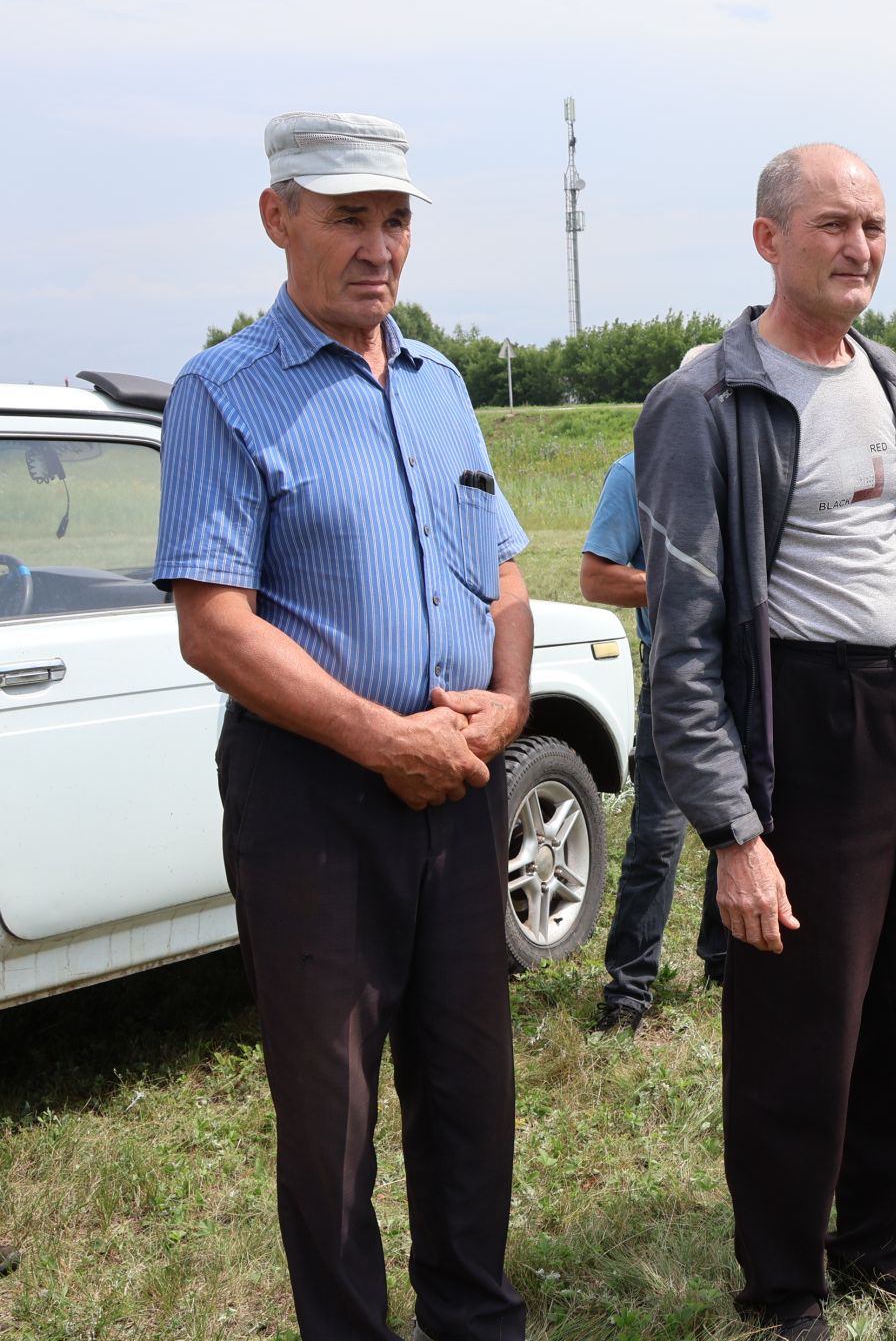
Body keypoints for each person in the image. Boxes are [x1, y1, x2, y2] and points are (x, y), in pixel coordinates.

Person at [154, 113, 529, 1339]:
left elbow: (507, 578)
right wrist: (382, 739)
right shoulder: (227, 391)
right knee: (332, 1110)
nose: (380, 248)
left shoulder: (440, 386)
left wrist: (511, 701)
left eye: (396, 219)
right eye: (349, 217)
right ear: (280, 218)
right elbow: (215, 625)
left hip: (461, 785)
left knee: (472, 1086)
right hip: (315, 798)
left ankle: (474, 1318)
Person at [631, 143, 896, 1341]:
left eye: (875, 225)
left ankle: (880, 1243)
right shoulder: (705, 405)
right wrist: (734, 828)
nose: (861, 248)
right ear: (768, 238)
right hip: (802, 726)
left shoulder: (892, 380)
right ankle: (784, 1284)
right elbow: (679, 642)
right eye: (834, 224)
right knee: (799, 1024)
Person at [581, 422, 728, 1036]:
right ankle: (629, 991)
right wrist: (693, 588)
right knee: (660, 835)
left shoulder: (745, 467)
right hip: (678, 673)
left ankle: (727, 962)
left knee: (749, 817)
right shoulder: (634, 471)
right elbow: (598, 578)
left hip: (756, 672)